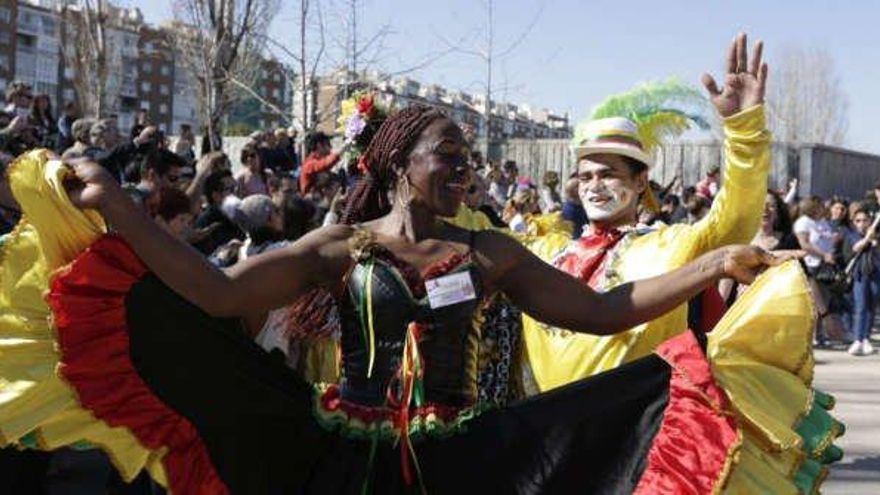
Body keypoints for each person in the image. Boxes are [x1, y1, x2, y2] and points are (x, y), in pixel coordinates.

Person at [0, 99, 822, 494]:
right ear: (400, 161)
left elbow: (603, 311)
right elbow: (214, 293)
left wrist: (712, 266)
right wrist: (120, 207)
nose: (465, 166)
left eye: (468, 154)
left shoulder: (489, 251)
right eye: (449, 153)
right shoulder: (339, 248)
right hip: (345, 460)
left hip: (466, 462)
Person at [843, 204, 880, 355]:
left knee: (871, 307)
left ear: (869, 221)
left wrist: (874, 241)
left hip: (876, 273)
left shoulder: (875, 235)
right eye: (858, 220)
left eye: (865, 220)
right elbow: (856, 248)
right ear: (854, 222)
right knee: (861, 306)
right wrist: (867, 238)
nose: (861, 223)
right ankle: (857, 339)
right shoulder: (851, 235)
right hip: (859, 274)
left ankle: (865, 338)